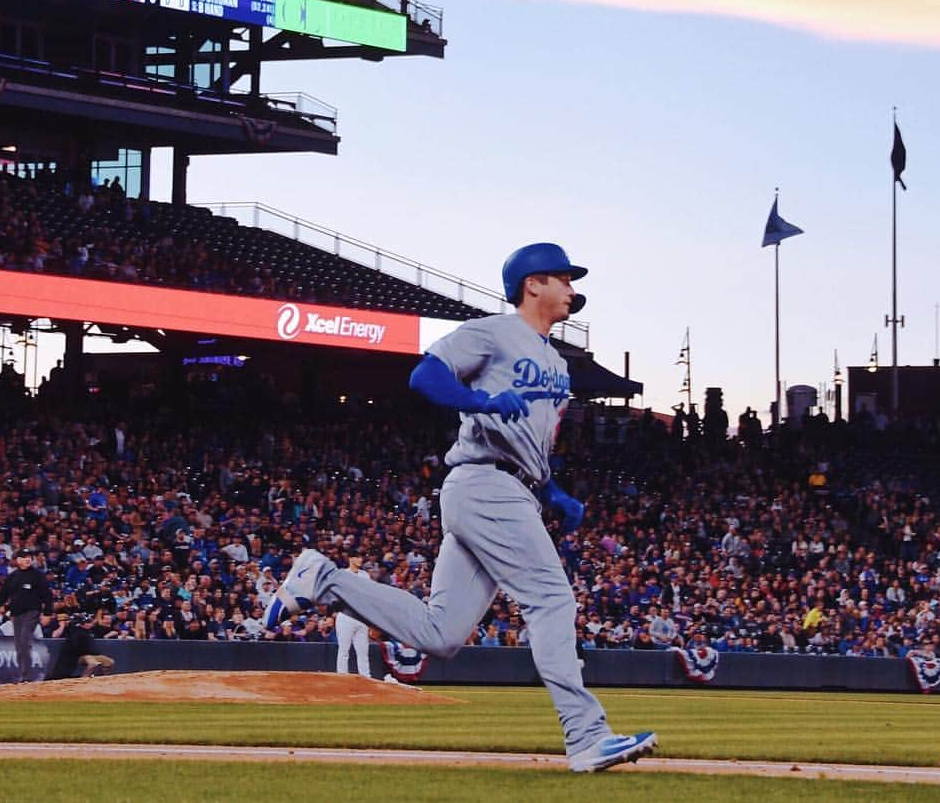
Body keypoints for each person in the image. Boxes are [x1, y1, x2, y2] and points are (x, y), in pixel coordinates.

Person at [265, 242, 656, 774]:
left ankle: (324, 580)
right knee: (551, 599)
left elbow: (534, 445)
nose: (571, 288)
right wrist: (478, 401)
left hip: (512, 487)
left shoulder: (559, 367)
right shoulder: (493, 331)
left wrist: (552, 491)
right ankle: (586, 735)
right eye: (562, 278)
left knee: (441, 634)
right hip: (482, 482)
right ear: (532, 283)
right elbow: (425, 375)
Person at [0, 549, 53, 683]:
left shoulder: (37, 575)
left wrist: (48, 613)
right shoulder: (13, 577)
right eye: (24, 557)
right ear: (18, 560)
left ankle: (27, 676)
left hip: (32, 612)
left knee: (25, 640)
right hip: (16, 614)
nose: (28, 559)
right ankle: (23, 675)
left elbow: (47, 595)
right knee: (19, 645)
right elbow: (3, 594)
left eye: (29, 557)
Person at [334, 557, 373, 677]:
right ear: (350, 559)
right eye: (357, 557)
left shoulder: (365, 575)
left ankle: (366, 678)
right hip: (346, 616)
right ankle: (342, 677)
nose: (360, 560)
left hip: (361, 616)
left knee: (363, 651)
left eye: (360, 557)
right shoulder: (342, 574)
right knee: (344, 650)